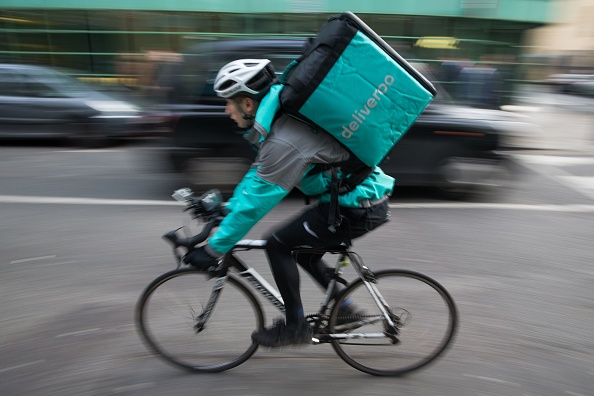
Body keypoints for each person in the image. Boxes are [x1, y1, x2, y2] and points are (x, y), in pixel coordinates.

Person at [184, 58, 394, 347]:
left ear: (247, 103)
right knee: (301, 250)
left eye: (228, 102)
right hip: (355, 200)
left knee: (278, 244)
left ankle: (296, 327)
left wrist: (213, 248)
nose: (226, 110)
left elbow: (259, 200)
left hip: (357, 206)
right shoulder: (280, 122)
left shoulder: (285, 138)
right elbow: (259, 176)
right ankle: (344, 311)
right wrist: (227, 210)